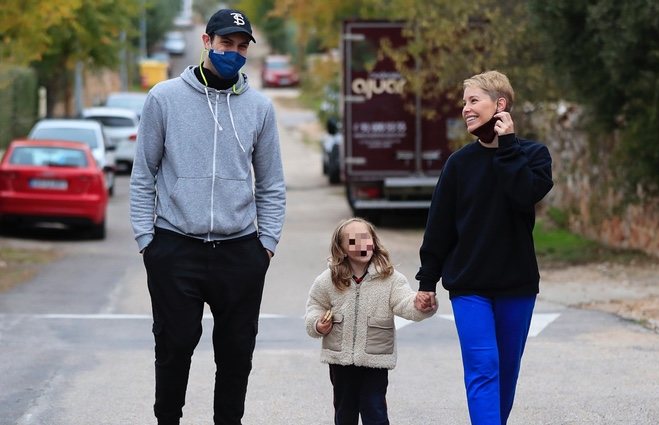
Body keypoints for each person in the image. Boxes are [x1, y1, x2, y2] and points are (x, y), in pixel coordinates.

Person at [129, 8, 286, 425]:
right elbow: (143, 173)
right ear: (206, 42)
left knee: (237, 353)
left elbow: (271, 183)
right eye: (225, 44)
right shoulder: (164, 98)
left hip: (240, 251)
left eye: (240, 47)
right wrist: (148, 242)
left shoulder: (260, 108)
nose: (233, 52)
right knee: (175, 345)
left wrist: (266, 244)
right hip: (176, 246)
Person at [414, 70, 553, 425]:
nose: (466, 109)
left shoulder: (535, 156)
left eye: (474, 100)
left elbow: (523, 196)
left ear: (500, 104)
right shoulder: (459, 164)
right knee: (483, 367)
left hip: (517, 286)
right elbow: (439, 226)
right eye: (465, 102)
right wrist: (427, 281)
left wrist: (507, 147)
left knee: (506, 372)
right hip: (469, 286)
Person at [305, 218, 437, 425]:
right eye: (352, 241)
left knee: (374, 409)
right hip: (340, 359)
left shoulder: (391, 278)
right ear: (341, 249)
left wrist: (420, 306)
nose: (361, 245)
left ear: (374, 241)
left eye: (365, 238)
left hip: (375, 359)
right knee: (344, 410)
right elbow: (315, 306)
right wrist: (316, 324)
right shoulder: (329, 279)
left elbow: (405, 302)